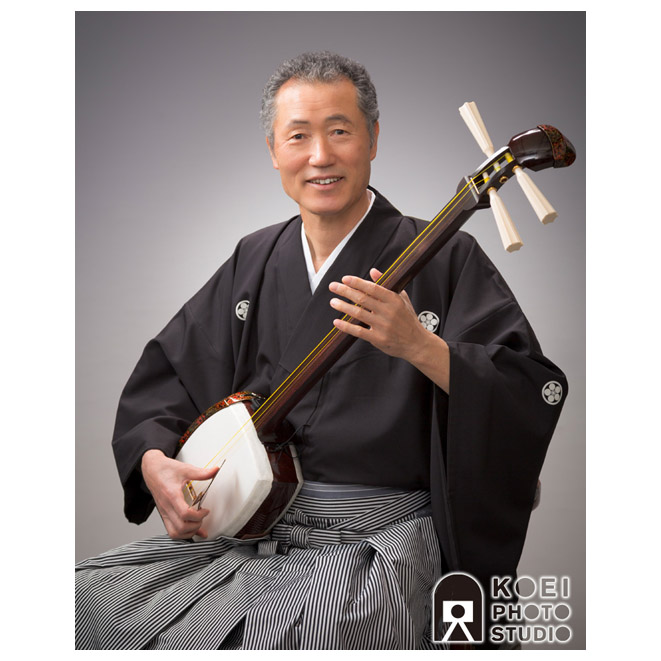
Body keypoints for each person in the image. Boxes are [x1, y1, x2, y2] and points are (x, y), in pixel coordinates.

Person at [75, 51, 567, 650]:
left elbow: (530, 391)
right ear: (273, 151)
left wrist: (420, 347)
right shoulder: (255, 259)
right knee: (77, 603)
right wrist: (155, 463)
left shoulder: (447, 258)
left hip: (374, 549)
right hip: (249, 535)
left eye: (339, 131)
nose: (320, 156)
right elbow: (169, 378)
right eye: (298, 136)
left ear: (373, 139)